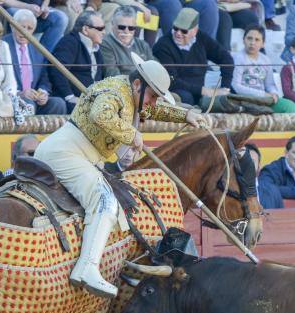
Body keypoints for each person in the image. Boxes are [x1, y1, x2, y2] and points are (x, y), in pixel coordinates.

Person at [34, 60, 205, 299]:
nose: (153, 102)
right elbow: (100, 114)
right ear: (137, 85)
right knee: (104, 201)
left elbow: (153, 110)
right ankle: (87, 268)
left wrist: (185, 115)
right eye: (152, 96)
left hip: (79, 155)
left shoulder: (132, 94)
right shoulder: (115, 90)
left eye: (156, 98)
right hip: (67, 154)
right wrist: (130, 133)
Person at [152, 8, 234, 109]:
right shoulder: (163, 45)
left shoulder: (201, 38)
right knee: (186, 97)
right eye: (175, 28)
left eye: (184, 31)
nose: (178, 33)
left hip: (199, 93)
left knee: (227, 99)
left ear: (195, 31)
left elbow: (226, 58)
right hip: (175, 91)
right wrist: (203, 90)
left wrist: (225, 88)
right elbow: (171, 80)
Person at [4, 9, 66, 116]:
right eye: (22, 27)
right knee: (27, 103)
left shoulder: (38, 48)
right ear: (12, 26)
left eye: (29, 28)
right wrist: (19, 93)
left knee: (58, 103)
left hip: (33, 98)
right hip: (11, 99)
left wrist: (43, 92)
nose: (25, 32)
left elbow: (44, 77)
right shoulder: (3, 45)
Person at [231, 23, 295, 114]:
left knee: (289, 106)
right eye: (249, 38)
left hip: (263, 100)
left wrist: (274, 93)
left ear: (263, 44)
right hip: (244, 99)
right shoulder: (238, 58)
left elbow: (270, 84)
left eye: (257, 40)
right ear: (243, 40)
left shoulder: (265, 60)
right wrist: (262, 95)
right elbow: (236, 86)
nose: (252, 43)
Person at [50, 11, 105, 112]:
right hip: (75, 102)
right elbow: (57, 71)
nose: (104, 32)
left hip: (92, 101)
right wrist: (70, 97)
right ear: (85, 29)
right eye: (100, 29)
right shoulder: (69, 42)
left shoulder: (96, 48)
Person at [99, 6, 154, 78]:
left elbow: (155, 68)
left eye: (131, 28)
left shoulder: (142, 44)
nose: (126, 31)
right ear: (112, 24)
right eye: (121, 27)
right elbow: (112, 75)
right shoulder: (105, 43)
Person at [0, 0, 68, 52]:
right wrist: (28, 7)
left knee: (61, 18)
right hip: (16, 9)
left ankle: (41, 59)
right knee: (18, 15)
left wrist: (44, 7)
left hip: (38, 13)